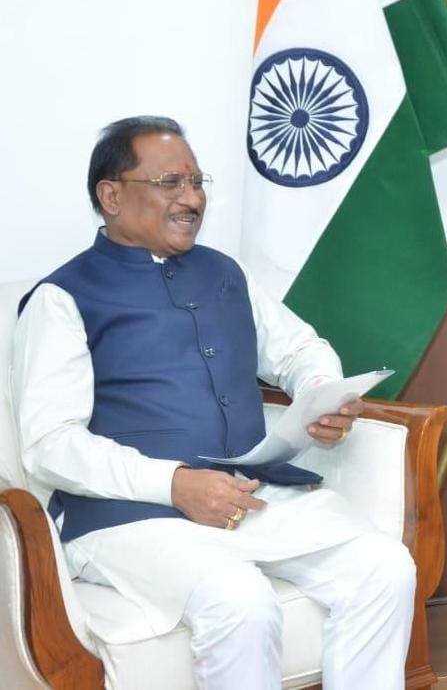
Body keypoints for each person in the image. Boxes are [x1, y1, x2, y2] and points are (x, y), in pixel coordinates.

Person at [12, 116, 416, 689]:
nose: (192, 199)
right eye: (170, 183)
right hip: (128, 517)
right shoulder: (61, 298)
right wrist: (174, 484)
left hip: (250, 494)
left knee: (384, 567)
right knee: (240, 599)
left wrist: (320, 394)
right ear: (111, 196)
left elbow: (300, 349)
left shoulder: (225, 272)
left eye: (196, 182)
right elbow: (50, 444)